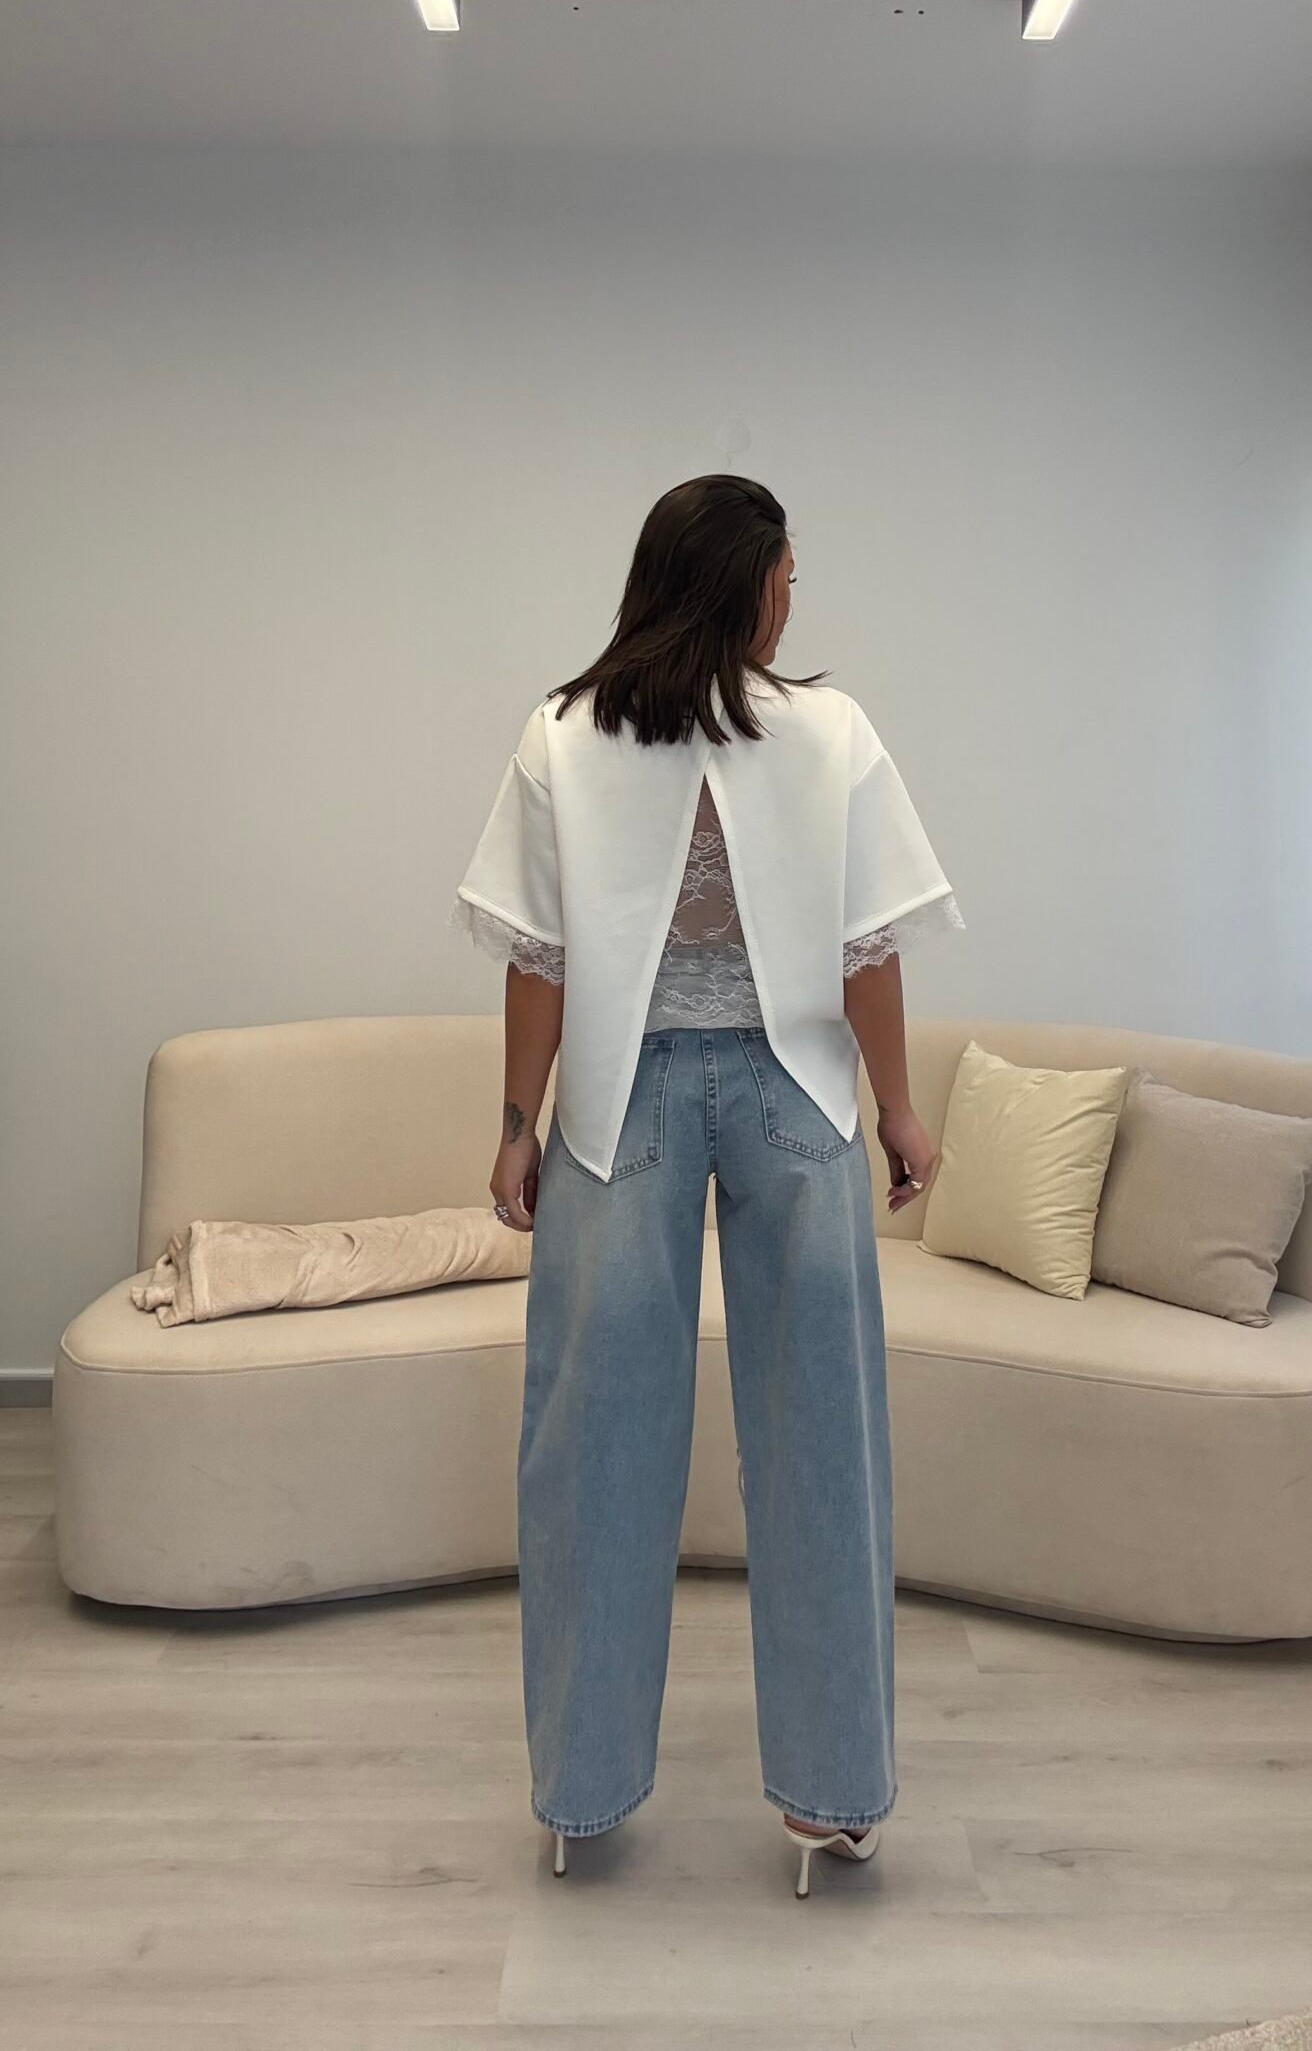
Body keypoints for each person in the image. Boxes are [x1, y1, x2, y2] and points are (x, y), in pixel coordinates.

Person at [449, 474, 964, 1895]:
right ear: (746, 584)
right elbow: (862, 950)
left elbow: (542, 960)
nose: (796, 596)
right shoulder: (821, 732)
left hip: (635, 1098)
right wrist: (897, 1109)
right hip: (781, 1095)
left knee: (598, 1441)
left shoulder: (567, 733)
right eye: (787, 572)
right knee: (809, 1440)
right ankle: (825, 1798)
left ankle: (588, 1794)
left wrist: (518, 1124)